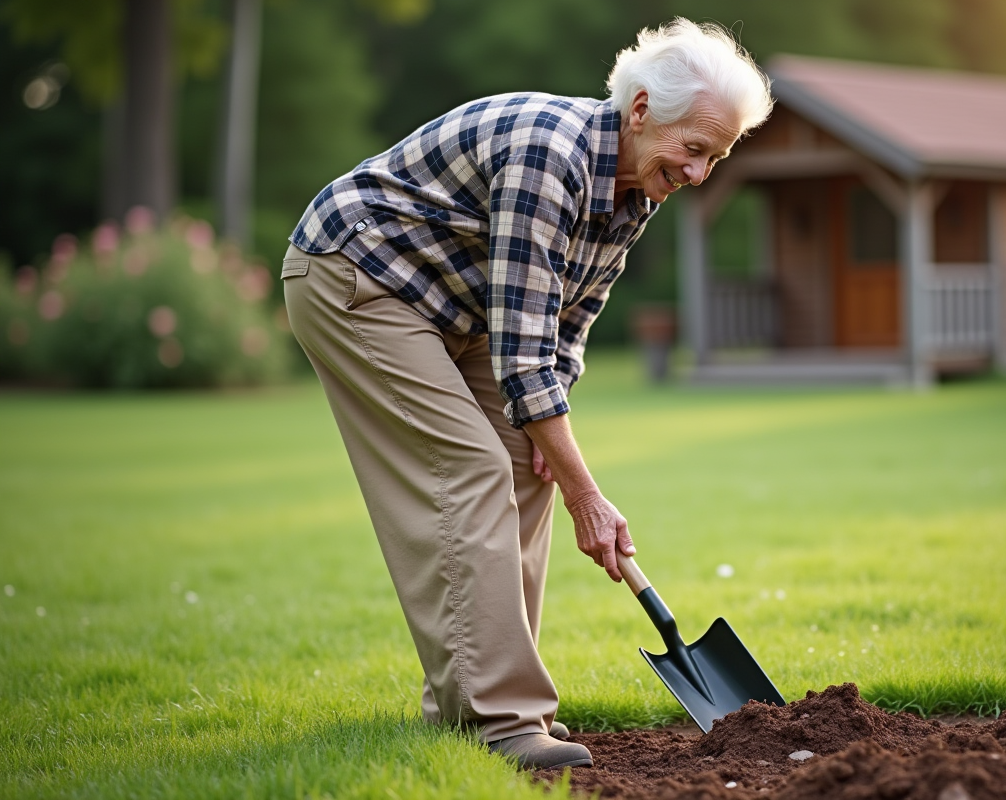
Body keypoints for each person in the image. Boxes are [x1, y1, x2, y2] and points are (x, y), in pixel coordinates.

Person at [281, 18, 772, 770]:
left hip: (457, 307)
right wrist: (589, 493)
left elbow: (564, 329)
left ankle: (460, 705)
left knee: (521, 459)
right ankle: (501, 722)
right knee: (469, 468)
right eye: (695, 148)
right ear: (639, 110)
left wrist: (554, 452)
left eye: (718, 156)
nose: (701, 173)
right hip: (361, 280)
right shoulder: (551, 155)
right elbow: (520, 353)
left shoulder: (635, 193)